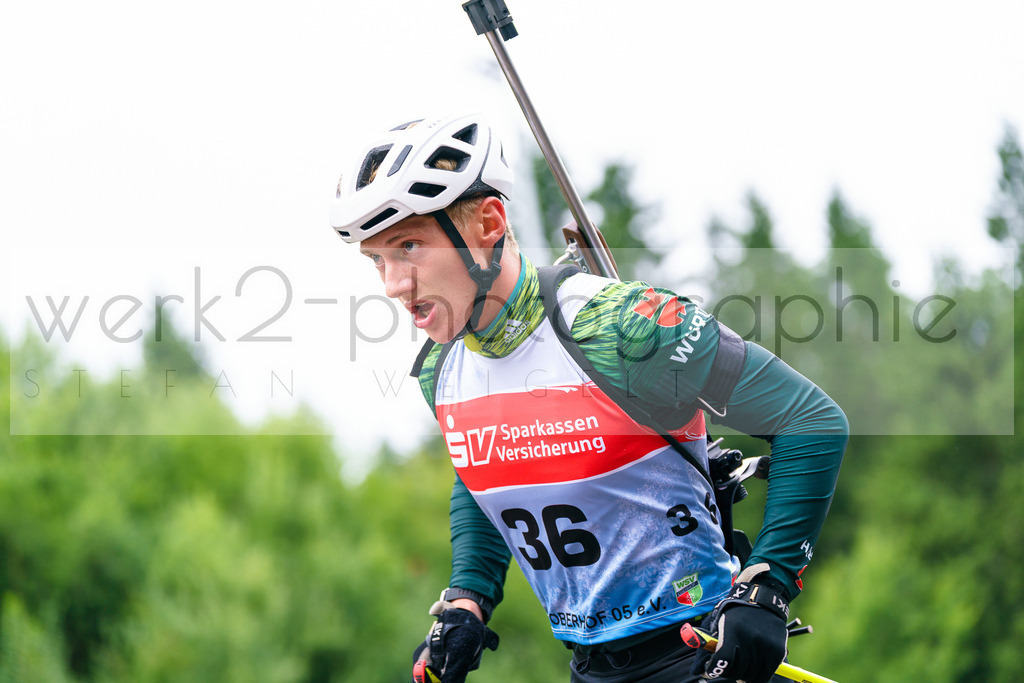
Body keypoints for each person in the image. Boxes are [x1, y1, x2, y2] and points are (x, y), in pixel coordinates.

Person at [329, 113, 848, 683]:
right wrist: (468, 599)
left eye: (409, 246)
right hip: (590, 669)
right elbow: (484, 472)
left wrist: (768, 586)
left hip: (701, 650)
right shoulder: (443, 369)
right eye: (377, 259)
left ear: (489, 223)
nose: (393, 284)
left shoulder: (618, 327)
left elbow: (811, 421)